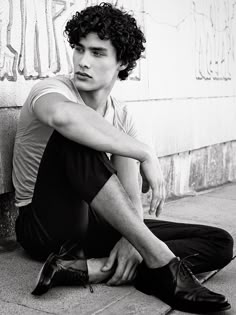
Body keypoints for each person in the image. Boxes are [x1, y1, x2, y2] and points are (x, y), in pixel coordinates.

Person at [12, 2, 233, 313]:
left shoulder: (123, 114)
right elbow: (63, 118)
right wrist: (144, 152)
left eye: (97, 53)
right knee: (76, 133)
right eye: (78, 49)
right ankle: (161, 265)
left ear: (123, 61)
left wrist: (131, 240)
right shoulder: (51, 90)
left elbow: (130, 199)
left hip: (95, 227)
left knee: (219, 242)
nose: (82, 61)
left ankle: (90, 268)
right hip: (44, 225)